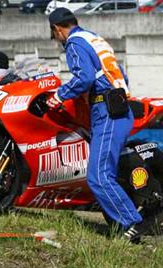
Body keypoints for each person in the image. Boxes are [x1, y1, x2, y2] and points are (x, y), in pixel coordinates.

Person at [46, 8, 146, 242]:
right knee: (104, 172)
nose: (58, 40)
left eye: (55, 35)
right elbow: (118, 75)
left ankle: (131, 223)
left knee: (98, 176)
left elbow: (85, 78)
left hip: (108, 111)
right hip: (117, 107)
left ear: (57, 29)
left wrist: (59, 95)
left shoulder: (74, 43)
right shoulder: (93, 38)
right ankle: (125, 220)